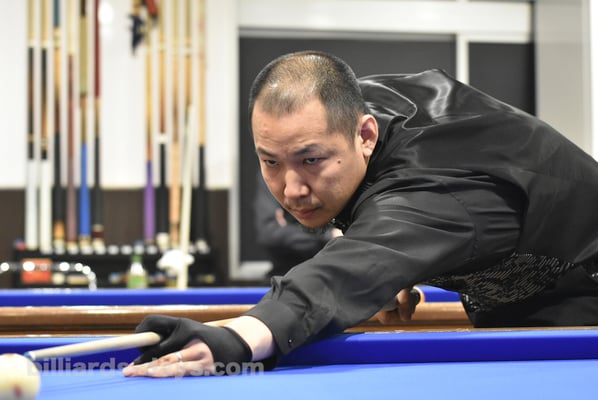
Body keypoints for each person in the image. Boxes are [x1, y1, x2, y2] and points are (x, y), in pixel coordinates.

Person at [123, 50, 598, 377]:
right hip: (517, 298)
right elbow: (376, 228)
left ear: (366, 136)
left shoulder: (438, 190)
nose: (291, 189)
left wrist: (240, 337)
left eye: (310, 160)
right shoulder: (343, 114)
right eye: (270, 161)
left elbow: (355, 264)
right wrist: (396, 264)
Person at [253, 172, 339, 279]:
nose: (292, 193)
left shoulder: (335, 174)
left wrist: (291, 228)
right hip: (286, 275)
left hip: (335, 274)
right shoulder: (270, 173)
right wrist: (329, 235)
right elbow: (270, 233)